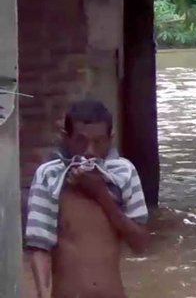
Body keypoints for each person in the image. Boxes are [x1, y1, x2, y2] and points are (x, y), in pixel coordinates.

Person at [25, 100, 150, 298]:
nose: (89, 151)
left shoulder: (124, 173)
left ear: (111, 139)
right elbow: (39, 247)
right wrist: (42, 293)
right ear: (65, 138)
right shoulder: (50, 176)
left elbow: (140, 243)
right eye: (81, 141)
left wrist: (101, 195)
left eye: (99, 142)